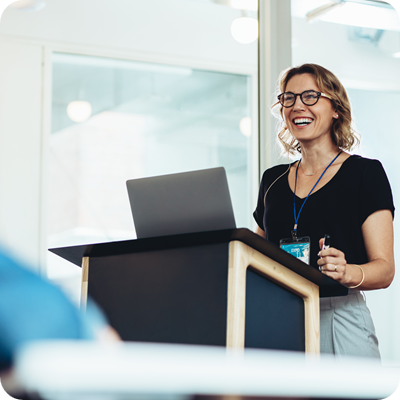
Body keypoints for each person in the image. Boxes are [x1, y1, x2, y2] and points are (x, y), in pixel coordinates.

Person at [253, 63, 395, 358]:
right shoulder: (272, 180)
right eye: (288, 98)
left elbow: (384, 269)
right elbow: (257, 256)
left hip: (339, 315)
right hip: (280, 316)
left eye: (310, 96)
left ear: (336, 109)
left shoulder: (364, 173)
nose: (296, 106)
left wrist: (347, 271)